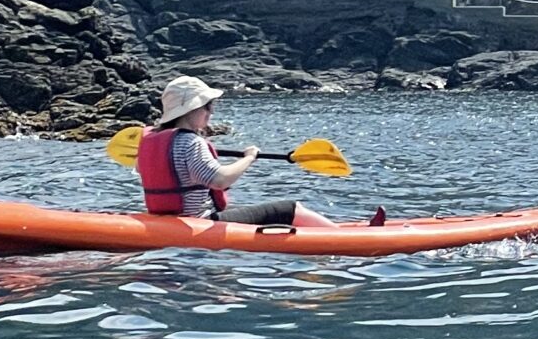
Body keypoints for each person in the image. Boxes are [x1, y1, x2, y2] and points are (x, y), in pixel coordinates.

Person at [134, 75, 374, 231]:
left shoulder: (152, 141)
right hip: (199, 222)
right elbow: (219, 180)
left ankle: (336, 229)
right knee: (289, 208)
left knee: (253, 212)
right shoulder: (189, 143)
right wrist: (249, 157)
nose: (211, 112)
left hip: (168, 220)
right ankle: (338, 236)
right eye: (208, 106)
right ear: (194, 108)